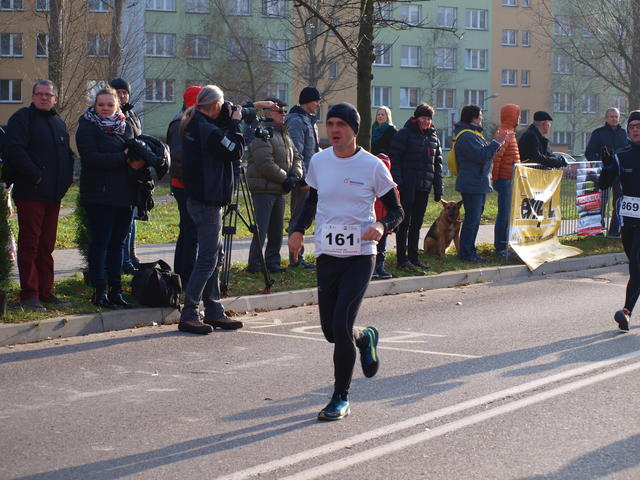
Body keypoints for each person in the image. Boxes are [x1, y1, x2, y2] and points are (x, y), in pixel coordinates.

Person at [288, 102, 404, 421]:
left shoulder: (372, 166)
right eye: (330, 124)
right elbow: (312, 202)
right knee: (331, 331)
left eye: (341, 124)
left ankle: (341, 397)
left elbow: (397, 211)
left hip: (360, 256)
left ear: (354, 129)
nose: (334, 130)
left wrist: (381, 225)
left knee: (340, 325)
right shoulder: (319, 161)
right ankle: (364, 337)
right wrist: (297, 230)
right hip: (327, 254)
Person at [178, 85, 245, 335]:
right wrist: (235, 124)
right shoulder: (207, 130)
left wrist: (227, 122)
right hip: (207, 201)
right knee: (208, 258)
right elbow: (235, 150)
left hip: (203, 199)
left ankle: (214, 309)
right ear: (216, 105)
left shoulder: (195, 123)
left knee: (214, 256)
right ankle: (190, 312)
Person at [4, 80, 75, 311]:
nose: (44, 98)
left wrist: (65, 182)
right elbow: (15, 151)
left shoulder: (58, 123)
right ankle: (30, 295)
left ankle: (46, 291)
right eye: (40, 94)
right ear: (33, 97)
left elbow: (68, 156)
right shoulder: (22, 118)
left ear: (55, 98)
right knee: (30, 244)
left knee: (47, 245)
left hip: (53, 196)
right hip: (30, 193)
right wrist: (36, 177)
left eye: (48, 94)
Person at [76, 86, 145, 308]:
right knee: (101, 243)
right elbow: (91, 158)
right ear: (94, 106)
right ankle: (100, 291)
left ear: (117, 106)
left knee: (118, 245)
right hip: (99, 195)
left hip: (125, 195)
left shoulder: (126, 126)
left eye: (109, 105)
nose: (105, 108)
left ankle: (116, 290)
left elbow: (135, 154)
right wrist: (123, 158)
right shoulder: (87, 127)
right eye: (101, 105)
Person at [246, 98, 302, 274]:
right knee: (261, 229)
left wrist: (295, 176)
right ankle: (255, 264)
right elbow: (265, 162)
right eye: (280, 111)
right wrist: (286, 179)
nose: (284, 114)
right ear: (269, 113)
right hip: (263, 189)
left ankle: (272, 262)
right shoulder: (261, 133)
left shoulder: (285, 134)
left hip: (279, 189)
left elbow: (297, 157)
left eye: (285, 111)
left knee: (276, 230)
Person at [599, 110, 640, 332]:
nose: (635, 130)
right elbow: (603, 184)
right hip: (628, 221)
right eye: (632, 126)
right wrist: (607, 165)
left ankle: (626, 312)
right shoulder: (621, 155)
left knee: (637, 264)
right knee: (635, 266)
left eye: (639, 126)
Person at [390, 102, 443, 270]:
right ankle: (401, 259)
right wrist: (399, 183)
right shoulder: (404, 134)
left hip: (423, 187)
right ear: (416, 118)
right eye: (423, 118)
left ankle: (414, 257)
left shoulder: (434, 137)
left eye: (428, 119)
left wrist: (438, 188)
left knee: (417, 224)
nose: (426, 121)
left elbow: (437, 165)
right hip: (407, 185)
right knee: (404, 224)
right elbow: (394, 159)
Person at [454, 104, 510, 263]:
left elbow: (485, 154)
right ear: (473, 118)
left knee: (474, 219)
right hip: (473, 183)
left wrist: (497, 144)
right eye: (480, 115)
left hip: (477, 182)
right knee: (472, 220)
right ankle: (466, 253)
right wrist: (496, 142)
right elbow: (481, 156)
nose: (482, 118)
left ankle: (470, 250)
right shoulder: (467, 136)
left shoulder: (473, 134)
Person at [167, 85, 202, 286]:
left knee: (188, 231)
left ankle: (182, 273)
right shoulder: (181, 122)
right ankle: (186, 276)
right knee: (191, 232)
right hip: (185, 185)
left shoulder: (185, 120)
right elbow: (178, 157)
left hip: (185, 183)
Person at [285, 86, 321, 269]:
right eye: (316, 101)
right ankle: (296, 259)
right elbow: (296, 151)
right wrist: (302, 179)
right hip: (304, 179)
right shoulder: (297, 121)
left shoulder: (309, 120)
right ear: (307, 101)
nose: (318, 104)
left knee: (307, 216)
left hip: (312, 177)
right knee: (299, 217)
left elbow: (311, 150)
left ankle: (299, 256)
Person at [110, 77, 142, 274]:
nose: (122, 95)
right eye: (118, 92)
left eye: (125, 92)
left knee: (133, 219)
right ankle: (124, 261)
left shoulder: (132, 114)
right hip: (122, 172)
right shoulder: (112, 116)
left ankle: (131, 255)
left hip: (135, 174)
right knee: (125, 223)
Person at [585, 107, 628, 238]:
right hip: (603, 173)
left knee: (618, 202)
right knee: (601, 203)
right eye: (611, 116)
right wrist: (600, 162)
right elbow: (589, 152)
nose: (614, 119)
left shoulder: (624, 133)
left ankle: (614, 231)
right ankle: (598, 230)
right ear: (606, 118)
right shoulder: (598, 133)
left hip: (619, 173)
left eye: (616, 117)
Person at [490, 104, 521, 256]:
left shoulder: (509, 132)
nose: (519, 118)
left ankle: (504, 245)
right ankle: (500, 247)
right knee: (504, 214)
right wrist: (496, 179)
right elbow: (496, 158)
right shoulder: (505, 133)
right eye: (518, 115)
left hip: (508, 179)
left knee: (507, 214)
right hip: (504, 179)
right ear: (512, 116)